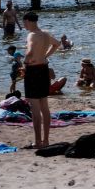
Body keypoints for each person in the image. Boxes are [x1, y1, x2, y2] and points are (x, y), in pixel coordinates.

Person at [22, 11, 61, 148]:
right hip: (44, 69)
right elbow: (57, 44)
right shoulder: (45, 34)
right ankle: (46, 140)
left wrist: (25, 63)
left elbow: (30, 52)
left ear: (28, 21)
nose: (24, 25)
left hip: (33, 71)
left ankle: (38, 141)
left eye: (24, 22)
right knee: (44, 106)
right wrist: (45, 55)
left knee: (35, 108)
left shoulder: (32, 35)